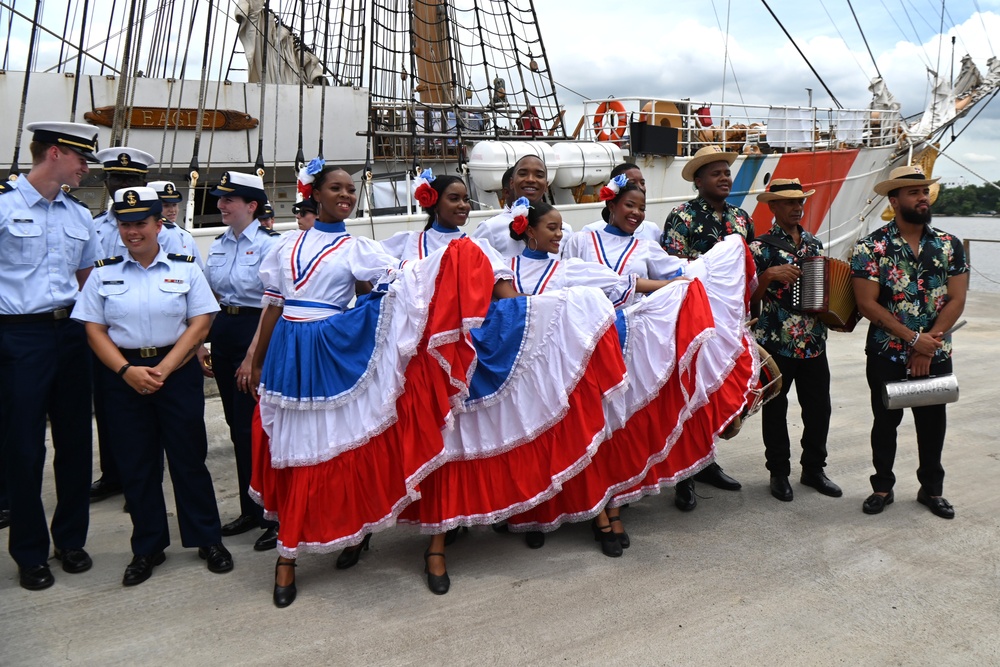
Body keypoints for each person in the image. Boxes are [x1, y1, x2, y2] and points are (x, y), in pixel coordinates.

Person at [249, 164, 500, 607]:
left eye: (350, 189)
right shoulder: (284, 245)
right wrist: (255, 357)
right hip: (289, 352)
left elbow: (402, 280)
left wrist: (452, 260)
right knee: (290, 448)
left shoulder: (358, 247)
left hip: (331, 349)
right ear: (314, 193)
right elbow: (273, 304)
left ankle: (340, 535)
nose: (345, 195)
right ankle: (287, 556)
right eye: (336, 188)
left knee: (332, 449)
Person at [73, 186, 233, 586]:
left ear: (159, 224)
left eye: (140, 223)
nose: (132, 232)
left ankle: (206, 538)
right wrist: (127, 370)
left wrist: (164, 367)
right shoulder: (104, 272)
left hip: (175, 372)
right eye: (125, 225)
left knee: (188, 459)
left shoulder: (185, 267)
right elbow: (94, 329)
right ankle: (147, 547)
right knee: (137, 465)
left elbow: (201, 323)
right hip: (123, 377)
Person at [1, 122, 101, 590]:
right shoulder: (3, 205)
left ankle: (71, 540)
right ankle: (29, 552)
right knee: (23, 447)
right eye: (82, 159)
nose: (86, 168)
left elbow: (87, 282)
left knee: (77, 443)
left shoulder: (79, 216)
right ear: (56, 154)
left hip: (71, 336)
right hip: (18, 337)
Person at [851, 165, 968, 519]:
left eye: (925, 191)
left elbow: (957, 299)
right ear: (894, 200)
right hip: (888, 351)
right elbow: (866, 303)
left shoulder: (949, 245)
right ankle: (882, 487)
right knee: (885, 422)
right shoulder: (871, 247)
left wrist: (926, 344)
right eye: (914, 192)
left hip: (936, 350)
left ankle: (931, 491)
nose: (922, 197)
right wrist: (913, 340)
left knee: (933, 423)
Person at [660, 144, 751, 504]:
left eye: (727, 172)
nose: (725, 178)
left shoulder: (742, 218)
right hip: (694, 318)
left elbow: (748, 268)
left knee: (716, 393)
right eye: (716, 173)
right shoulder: (682, 217)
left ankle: (708, 460)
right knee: (690, 393)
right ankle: (684, 474)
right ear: (699, 181)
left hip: (729, 319)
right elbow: (673, 267)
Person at [201, 172, 282, 551]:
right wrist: (205, 341)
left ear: (251, 206)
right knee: (236, 426)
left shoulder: (271, 247)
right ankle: (251, 508)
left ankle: (275, 513)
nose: (220, 205)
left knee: (261, 428)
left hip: (259, 332)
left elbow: (274, 303)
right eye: (220, 200)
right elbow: (208, 294)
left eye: (228, 200)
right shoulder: (217, 245)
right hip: (226, 330)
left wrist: (256, 355)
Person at [749, 179, 841, 502]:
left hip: (814, 340)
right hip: (776, 341)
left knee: (819, 409)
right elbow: (748, 298)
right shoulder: (759, 247)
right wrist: (768, 276)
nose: (796, 207)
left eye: (799, 201)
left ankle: (814, 469)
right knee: (775, 409)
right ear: (772, 207)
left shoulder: (814, 245)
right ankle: (778, 472)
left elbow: (820, 290)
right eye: (788, 202)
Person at [89, 147, 157, 504]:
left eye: (131, 181)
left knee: (153, 415)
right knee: (110, 408)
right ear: (107, 182)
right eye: (118, 180)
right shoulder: (94, 226)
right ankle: (115, 474)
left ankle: (143, 481)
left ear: (143, 183)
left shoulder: (167, 231)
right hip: (108, 332)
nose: (123, 187)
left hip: (152, 332)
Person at [471, 154, 571, 258]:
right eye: (523, 174)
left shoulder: (564, 231)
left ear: (546, 185)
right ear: (511, 182)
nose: (531, 180)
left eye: (539, 175)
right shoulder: (491, 228)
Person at [580, 163, 661, 242]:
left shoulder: (652, 230)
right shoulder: (589, 233)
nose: (640, 188)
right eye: (632, 183)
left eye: (642, 183)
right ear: (612, 206)